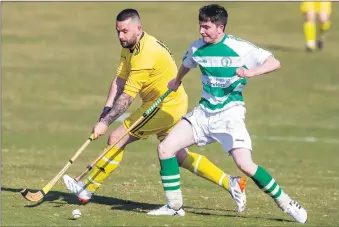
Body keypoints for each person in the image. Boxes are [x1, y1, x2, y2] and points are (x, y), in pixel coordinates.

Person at [63, 8, 247, 212]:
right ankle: (232, 183)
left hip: (164, 106)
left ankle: (86, 188)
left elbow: (127, 97)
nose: (120, 36)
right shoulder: (129, 46)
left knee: (116, 138)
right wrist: (104, 113)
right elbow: (120, 80)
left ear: (138, 28)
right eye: (118, 31)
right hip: (164, 104)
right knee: (179, 155)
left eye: (125, 31)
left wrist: (106, 123)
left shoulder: (145, 53)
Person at [147, 4, 308, 224]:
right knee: (166, 148)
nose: (202, 31)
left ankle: (287, 203)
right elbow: (186, 64)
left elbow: (274, 62)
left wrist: (251, 72)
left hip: (230, 115)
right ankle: (174, 206)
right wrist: (176, 81)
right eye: (200, 26)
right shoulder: (197, 48)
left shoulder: (239, 48)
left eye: (206, 27)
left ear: (220, 27)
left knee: (245, 164)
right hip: (203, 114)